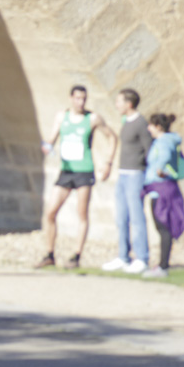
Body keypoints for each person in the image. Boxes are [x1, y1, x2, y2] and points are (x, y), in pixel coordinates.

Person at [37, 85, 118, 269]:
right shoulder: (62, 117)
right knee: (50, 212)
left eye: (83, 99)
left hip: (84, 170)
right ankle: (50, 253)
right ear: (71, 98)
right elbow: (52, 138)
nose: (80, 102)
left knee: (81, 214)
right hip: (66, 170)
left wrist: (108, 163)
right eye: (77, 98)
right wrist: (47, 146)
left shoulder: (92, 119)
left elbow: (112, 137)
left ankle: (76, 255)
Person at [100, 88, 153, 274]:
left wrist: (148, 175)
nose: (117, 105)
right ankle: (123, 256)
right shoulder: (126, 121)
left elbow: (149, 151)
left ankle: (142, 258)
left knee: (137, 217)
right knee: (121, 218)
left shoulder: (141, 123)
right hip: (122, 174)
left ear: (129, 104)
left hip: (135, 175)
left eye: (119, 101)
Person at [141, 113, 184, 278]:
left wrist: (160, 169)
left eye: (151, 125)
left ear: (158, 127)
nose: (148, 128)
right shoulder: (168, 140)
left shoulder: (163, 141)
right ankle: (162, 264)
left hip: (161, 189)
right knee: (162, 226)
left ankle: (163, 266)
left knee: (163, 226)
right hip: (162, 188)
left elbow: (164, 157)